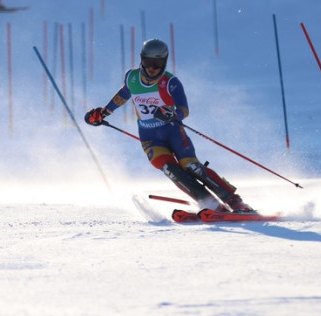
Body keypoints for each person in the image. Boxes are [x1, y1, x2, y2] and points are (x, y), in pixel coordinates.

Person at [84, 38, 254, 212]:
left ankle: (235, 202)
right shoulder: (132, 77)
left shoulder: (170, 82)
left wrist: (173, 114)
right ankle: (211, 204)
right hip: (149, 137)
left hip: (172, 132)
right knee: (171, 170)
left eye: (157, 64)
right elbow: (124, 94)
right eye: (148, 62)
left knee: (191, 167)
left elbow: (184, 110)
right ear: (141, 60)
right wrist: (103, 113)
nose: (152, 68)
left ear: (164, 62)